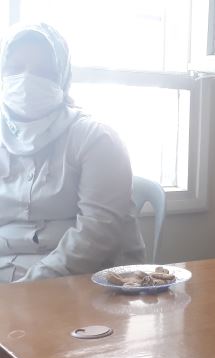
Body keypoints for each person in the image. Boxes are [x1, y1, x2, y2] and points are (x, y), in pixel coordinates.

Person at [0, 23, 144, 282]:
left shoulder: (96, 139)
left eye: (43, 71)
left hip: (79, 279)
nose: (26, 80)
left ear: (63, 78)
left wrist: (26, 289)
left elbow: (96, 236)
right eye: (15, 68)